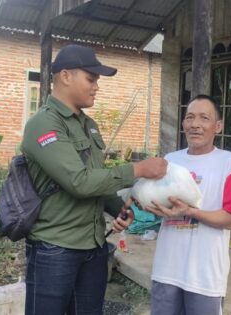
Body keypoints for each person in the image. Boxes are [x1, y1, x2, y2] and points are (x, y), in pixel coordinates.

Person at [20, 44, 168, 315]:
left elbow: (97, 179)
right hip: (55, 248)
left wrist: (118, 208)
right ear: (65, 76)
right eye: (91, 79)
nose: (96, 86)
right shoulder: (44, 124)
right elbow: (80, 181)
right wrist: (138, 170)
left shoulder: (88, 125)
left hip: (94, 246)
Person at [143, 95, 231, 315]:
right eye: (189, 118)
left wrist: (191, 212)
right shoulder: (170, 160)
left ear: (217, 126)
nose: (195, 124)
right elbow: (156, 200)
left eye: (204, 118)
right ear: (183, 124)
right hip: (166, 269)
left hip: (205, 276)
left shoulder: (230, 162)